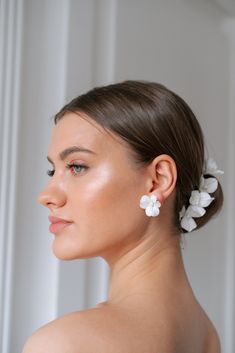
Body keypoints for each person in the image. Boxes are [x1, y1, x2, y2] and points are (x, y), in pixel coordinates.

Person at [23, 80, 223, 353]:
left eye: (77, 167)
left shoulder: (65, 344)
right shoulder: (206, 337)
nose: (47, 195)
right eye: (52, 171)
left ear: (157, 180)